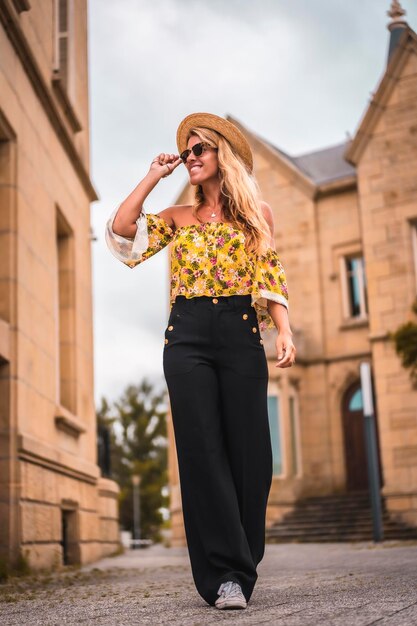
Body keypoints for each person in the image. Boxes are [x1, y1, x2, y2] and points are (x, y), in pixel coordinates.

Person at [105, 113, 296, 610]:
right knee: (202, 455)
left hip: (240, 332)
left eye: (198, 150)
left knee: (252, 459)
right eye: (185, 151)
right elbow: (123, 231)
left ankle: (242, 561)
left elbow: (270, 274)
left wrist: (285, 329)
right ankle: (226, 578)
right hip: (186, 336)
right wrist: (153, 175)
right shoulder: (178, 219)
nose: (189, 157)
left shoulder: (257, 216)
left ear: (220, 157)